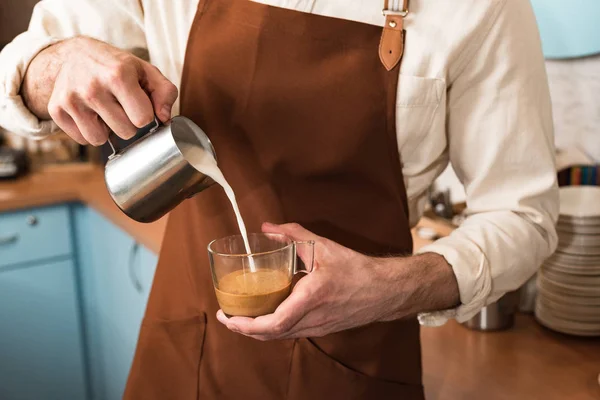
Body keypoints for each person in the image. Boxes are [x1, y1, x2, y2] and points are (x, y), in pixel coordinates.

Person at [0, 0, 558, 398]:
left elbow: (523, 216)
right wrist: (60, 63)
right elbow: (25, 68)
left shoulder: (484, 9)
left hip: (354, 356)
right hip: (187, 331)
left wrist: (387, 288)